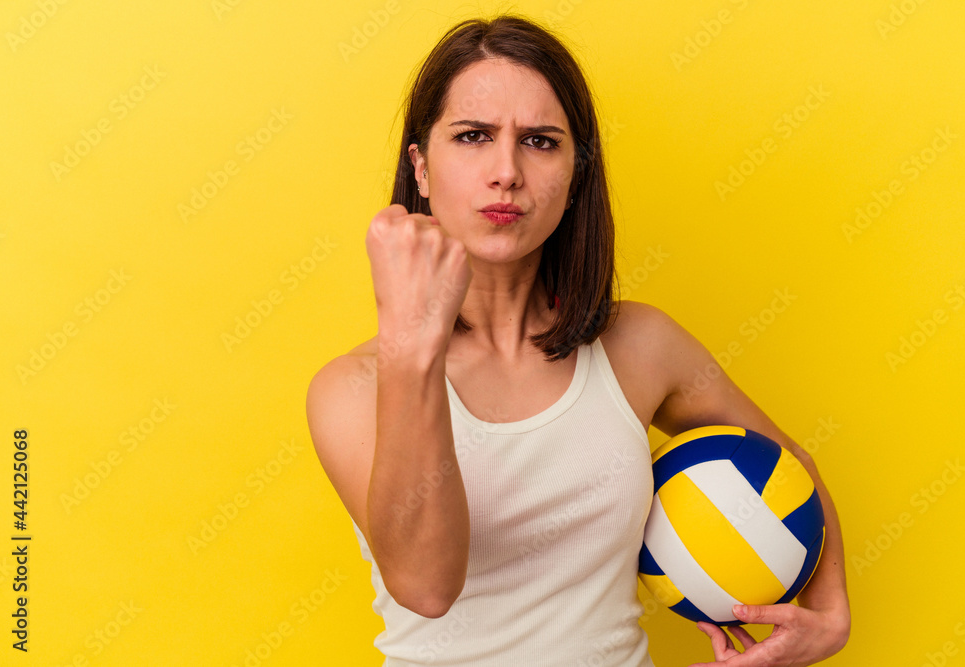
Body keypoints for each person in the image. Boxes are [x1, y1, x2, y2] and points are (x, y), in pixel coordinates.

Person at [306, 13, 850, 666]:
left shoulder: (640, 346)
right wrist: (410, 342)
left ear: (575, 172)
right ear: (420, 166)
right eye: (473, 135)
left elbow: (792, 469)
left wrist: (831, 612)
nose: (506, 171)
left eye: (540, 141)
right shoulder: (353, 387)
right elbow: (425, 585)